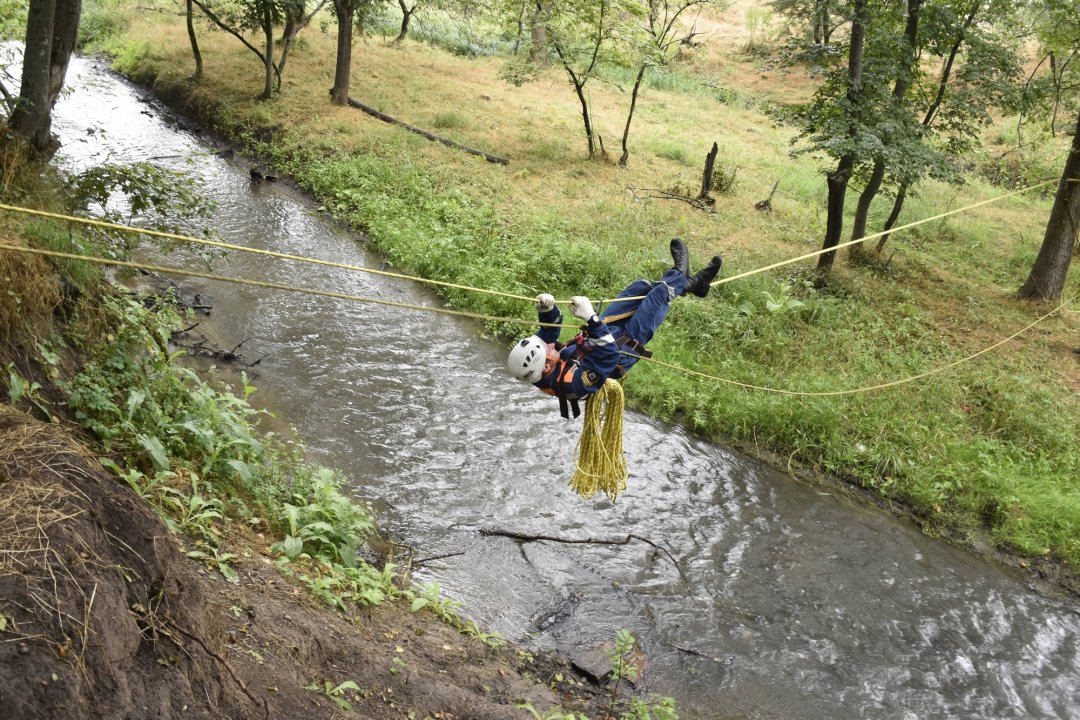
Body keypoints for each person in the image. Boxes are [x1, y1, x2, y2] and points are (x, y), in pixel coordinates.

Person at [507, 239, 722, 419]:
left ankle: (689, 281)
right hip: (621, 349)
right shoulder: (574, 384)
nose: (548, 347)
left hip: (599, 336)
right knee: (658, 296)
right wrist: (591, 318)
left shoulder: (540, 363)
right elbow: (607, 355)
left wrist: (547, 310)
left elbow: (548, 335)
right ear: (546, 367)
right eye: (547, 351)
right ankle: (684, 276)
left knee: (638, 287)